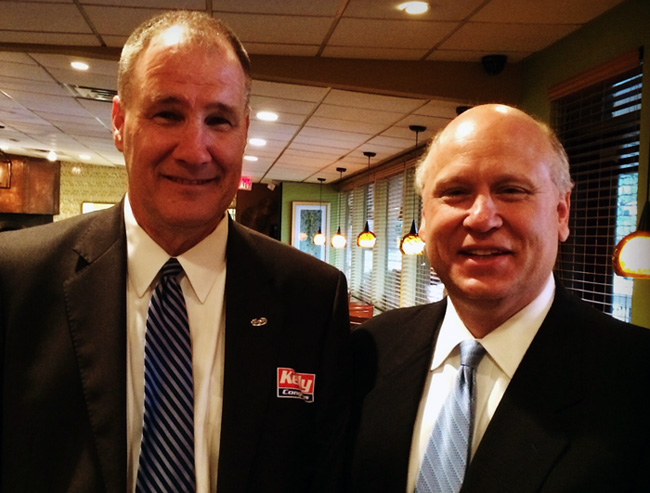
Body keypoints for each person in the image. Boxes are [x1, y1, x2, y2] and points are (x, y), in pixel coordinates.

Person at [0, 11, 351, 493]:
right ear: (120, 123)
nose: (194, 149)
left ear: (244, 132)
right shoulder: (16, 278)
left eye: (219, 120)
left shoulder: (312, 297)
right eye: (168, 114)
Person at [350, 104, 650, 492]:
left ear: (561, 213)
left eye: (511, 190)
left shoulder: (636, 378)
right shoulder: (367, 352)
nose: (481, 217)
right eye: (455, 192)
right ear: (423, 219)